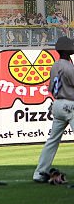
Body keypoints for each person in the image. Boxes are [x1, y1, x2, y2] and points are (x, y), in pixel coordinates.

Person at [33, 36, 74, 183]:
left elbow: (51, 87)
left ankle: (39, 172)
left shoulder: (55, 65)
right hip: (70, 105)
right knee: (52, 140)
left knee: (52, 141)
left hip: (57, 104)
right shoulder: (68, 66)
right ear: (66, 50)